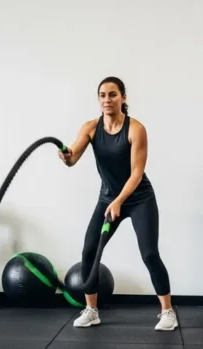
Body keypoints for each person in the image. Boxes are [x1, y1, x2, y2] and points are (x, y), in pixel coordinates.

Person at [59, 76, 177, 331]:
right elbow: (72, 158)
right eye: (102, 95)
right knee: (89, 251)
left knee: (149, 253)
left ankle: (168, 312)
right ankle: (91, 310)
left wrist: (119, 201)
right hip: (108, 197)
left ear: (123, 97)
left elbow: (136, 173)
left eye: (113, 94)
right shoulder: (91, 128)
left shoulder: (135, 129)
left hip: (139, 198)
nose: (107, 100)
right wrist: (66, 156)